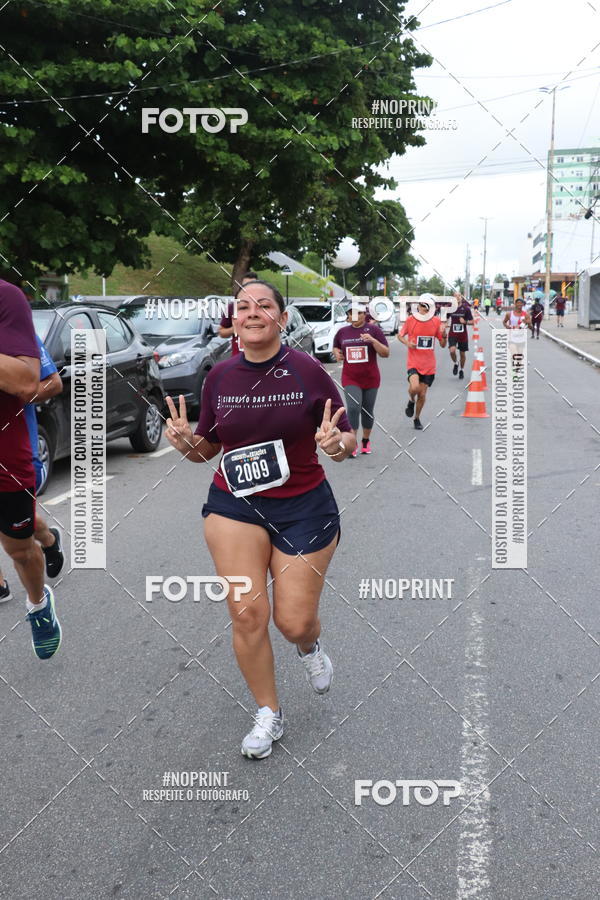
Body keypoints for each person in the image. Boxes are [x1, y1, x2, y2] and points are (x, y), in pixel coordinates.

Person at [165, 280, 355, 760]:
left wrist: (337, 445)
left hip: (303, 506)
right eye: (243, 306)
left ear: (281, 317)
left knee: (293, 622)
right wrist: (186, 442)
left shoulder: (308, 371)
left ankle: (309, 648)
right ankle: (268, 712)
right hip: (235, 504)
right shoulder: (220, 378)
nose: (252, 312)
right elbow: (206, 449)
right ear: (234, 319)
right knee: (247, 612)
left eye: (264, 304)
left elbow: (345, 439)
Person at [0, 279, 61, 658]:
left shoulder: (7, 300)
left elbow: (38, 381)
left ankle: (38, 604)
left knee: (18, 547)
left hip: (8, 453)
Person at [0, 335, 64, 603]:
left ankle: (48, 540)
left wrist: (19, 389)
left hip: (18, 452)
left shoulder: (17, 335)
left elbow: (53, 383)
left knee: (16, 523)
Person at [332, 304, 389, 456]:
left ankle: (365, 440)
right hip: (350, 377)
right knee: (353, 408)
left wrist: (372, 341)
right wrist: (337, 353)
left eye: (356, 313)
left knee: (367, 411)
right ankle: (353, 443)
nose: (352, 316)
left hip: (370, 378)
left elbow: (385, 353)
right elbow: (336, 347)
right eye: (350, 314)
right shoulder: (342, 332)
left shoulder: (374, 330)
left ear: (364, 315)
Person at [397, 295, 448, 430]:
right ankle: (411, 401)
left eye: (427, 307)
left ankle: (417, 418)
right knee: (414, 388)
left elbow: (443, 345)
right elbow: (400, 335)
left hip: (429, 364)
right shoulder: (411, 320)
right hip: (413, 362)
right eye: (422, 305)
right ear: (418, 306)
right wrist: (408, 343)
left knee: (423, 394)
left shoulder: (436, 322)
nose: (424, 309)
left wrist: (444, 335)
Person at [219, 270, 259, 355]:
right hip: (238, 360)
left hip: (262, 360)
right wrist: (234, 329)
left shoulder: (265, 307)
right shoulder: (232, 307)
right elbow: (221, 332)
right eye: (245, 286)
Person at [446, 292, 473, 380]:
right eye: (455, 296)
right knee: (452, 351)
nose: (457, 297)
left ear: (461, 297)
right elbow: (444, 319)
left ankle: (462, 370)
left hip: (463, 334)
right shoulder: (450, 309)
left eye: (459, 296)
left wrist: (465, 322)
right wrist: (444, 324)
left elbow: (472, 322)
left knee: (462, 354)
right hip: (453, 333)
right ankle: (456, 363)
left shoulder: (466, 309)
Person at [503, 298, 531, 371]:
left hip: (521, 338)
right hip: (511, 338)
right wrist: (507, 326)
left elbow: (531, 327)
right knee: (514, 354)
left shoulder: (526, 314)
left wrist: (527, 322)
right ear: (515, 304)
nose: (519, 304)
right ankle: (513, 365)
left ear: (523, 304)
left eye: (521, 303)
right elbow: (504, 322)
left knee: (519, 356)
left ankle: (516, 371)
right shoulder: (509, 314)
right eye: (518, 303)